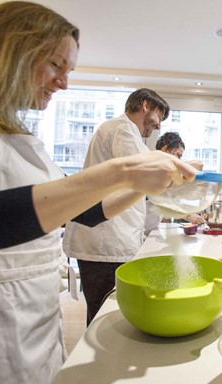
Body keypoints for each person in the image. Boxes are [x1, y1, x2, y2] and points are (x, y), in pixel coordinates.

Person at [0, 1, 197, 384]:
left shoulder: (17, 132)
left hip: (33, 322)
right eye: (56, 65)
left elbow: (86, 211)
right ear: (10, 50)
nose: (64, 82)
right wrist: (123, 171)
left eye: (68, 70)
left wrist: (139, 186)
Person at [62, 88, 174, 326]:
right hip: (105, 243)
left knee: (106, 315)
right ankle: (98, 362)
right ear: (146, 105)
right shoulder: (121, 129)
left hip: (113, 241)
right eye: (158, 117)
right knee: (103, 317)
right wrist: (179, 172)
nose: (158, 126)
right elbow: (145, 172)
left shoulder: (130, 135)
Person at [154, 131, 205, 225]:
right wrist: (188, 215)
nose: (179, 160)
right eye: (178, 155)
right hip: (143, 232)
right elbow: (198, 164)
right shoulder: (152, 169)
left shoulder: (165, 176)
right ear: (165, 149)